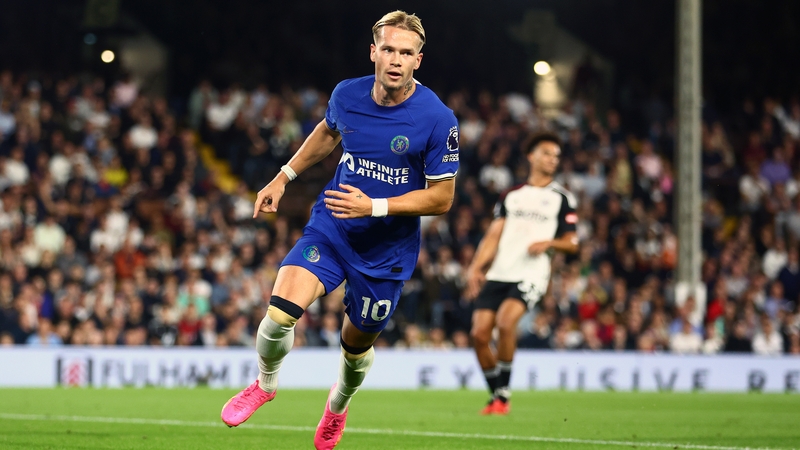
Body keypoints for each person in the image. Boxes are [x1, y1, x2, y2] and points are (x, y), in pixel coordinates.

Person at [219, 11, 459, 450]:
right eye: (388, 49)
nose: (395, 60)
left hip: (386, 252)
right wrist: (283, 176)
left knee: (354, 346)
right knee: (278, 316)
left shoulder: (437, 118)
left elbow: (442, 198)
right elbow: (329, 133)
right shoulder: (347, 94)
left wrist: (376, 205)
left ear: (418, 61)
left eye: (406, 53)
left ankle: (338, 405)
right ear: (373, 51)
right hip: (333, 227)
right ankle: (265, 385)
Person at [465, 132, 578, 415]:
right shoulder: (511, 196)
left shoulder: (562, 198)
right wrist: (476, 267)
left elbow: (573, 243)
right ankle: (498, 396)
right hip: (501, 271)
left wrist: (549, 243)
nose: (553, 160)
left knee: (505, 323)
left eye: (556, 156)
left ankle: (502, 395)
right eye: (547, 154)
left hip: (531, 274)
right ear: (531, 156)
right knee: (479, 335)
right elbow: (494, 235)